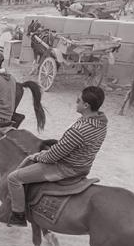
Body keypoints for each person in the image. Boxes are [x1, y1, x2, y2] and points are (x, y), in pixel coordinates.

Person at [6, 86, 108, 227]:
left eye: (78, 100)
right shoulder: (101, 123)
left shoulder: (78, 130)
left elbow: (52, 157)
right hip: (84, 166)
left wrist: (37, 156)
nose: (76, 101)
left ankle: (18, 215)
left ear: (86, 105)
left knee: (14, 178)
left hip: (65, 168)